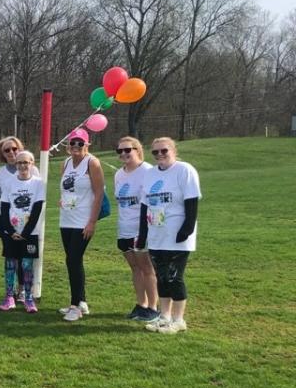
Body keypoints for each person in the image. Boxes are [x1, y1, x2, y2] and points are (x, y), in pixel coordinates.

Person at [138, 137, 201, 334]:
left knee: (175, 277)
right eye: (155, 152)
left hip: (177, 234)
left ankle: (178, 319)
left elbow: (192, 200)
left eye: (164, 151)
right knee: (162, 277)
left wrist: (187, 228)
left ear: (173, 150)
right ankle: (164, 316)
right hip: (157, 234)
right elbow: (144, 205)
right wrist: (142, 234)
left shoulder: (184, 170)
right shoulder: (150, 174)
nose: (160, 155)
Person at [58, 128, 105, 322]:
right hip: (66, 219)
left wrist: (92, 222)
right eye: (72, 143)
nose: (75, 146)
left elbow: (99, 193)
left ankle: (75, 306)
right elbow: (65, 188)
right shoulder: (66, 163)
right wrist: (63, 200)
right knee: (73, 260)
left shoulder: (92, 163)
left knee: (73, 260)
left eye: (80, 143)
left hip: (83, 221)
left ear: (87, 144)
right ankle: (82, 301)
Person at [114, 136, 159, 321]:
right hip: (124, 227)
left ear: (137, 150)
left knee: (146, 267)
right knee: (134, 268)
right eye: (120, 151)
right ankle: (141, 304)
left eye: (128, 150)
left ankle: (153, 307)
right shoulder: (119, 174)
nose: (124, 153)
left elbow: (148, 204)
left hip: (142, 228)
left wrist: (143, 232)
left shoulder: (147, 171)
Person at [0, 150, 45, 313]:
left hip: (29, 233)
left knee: (26, 265)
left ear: (32, 164)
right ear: (16, 164)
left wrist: (25, 233)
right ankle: (9, 296)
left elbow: (37, 209)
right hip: (11, 233)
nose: (23, 165)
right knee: (10, 264)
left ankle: (28, 298)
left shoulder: (38, 183)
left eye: (26, 162)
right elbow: (3, 209)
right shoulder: (9, 183)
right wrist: (10, 231)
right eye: (20, 162)